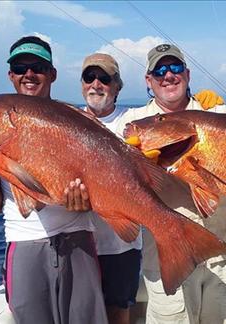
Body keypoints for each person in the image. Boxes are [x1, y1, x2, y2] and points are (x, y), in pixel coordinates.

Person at [115, 43, 226, 323]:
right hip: (167, 258)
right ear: (148, 80)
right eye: (159, 70)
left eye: (174, 68)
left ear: (187, 74)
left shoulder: (215, 112)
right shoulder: (133, 123)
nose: (168, 75)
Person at [0, 36, 107, 324]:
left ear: (52, 74)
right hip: (24, 242)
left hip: (79, 239)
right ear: (11, 76)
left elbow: (101, 183)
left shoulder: (76, 119)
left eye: (38, 67)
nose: (29, 74)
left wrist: (87, 203)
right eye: (20, 67)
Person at [79, 53, 142, 324]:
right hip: (79, 242)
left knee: (118, 311)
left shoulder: (135, 119)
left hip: (121, 245)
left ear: (117, 86)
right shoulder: (68, 120)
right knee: (80, 313)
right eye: (89, 77)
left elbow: (170, 112)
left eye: (105, 78)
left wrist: (202, 102)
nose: (96, 84)